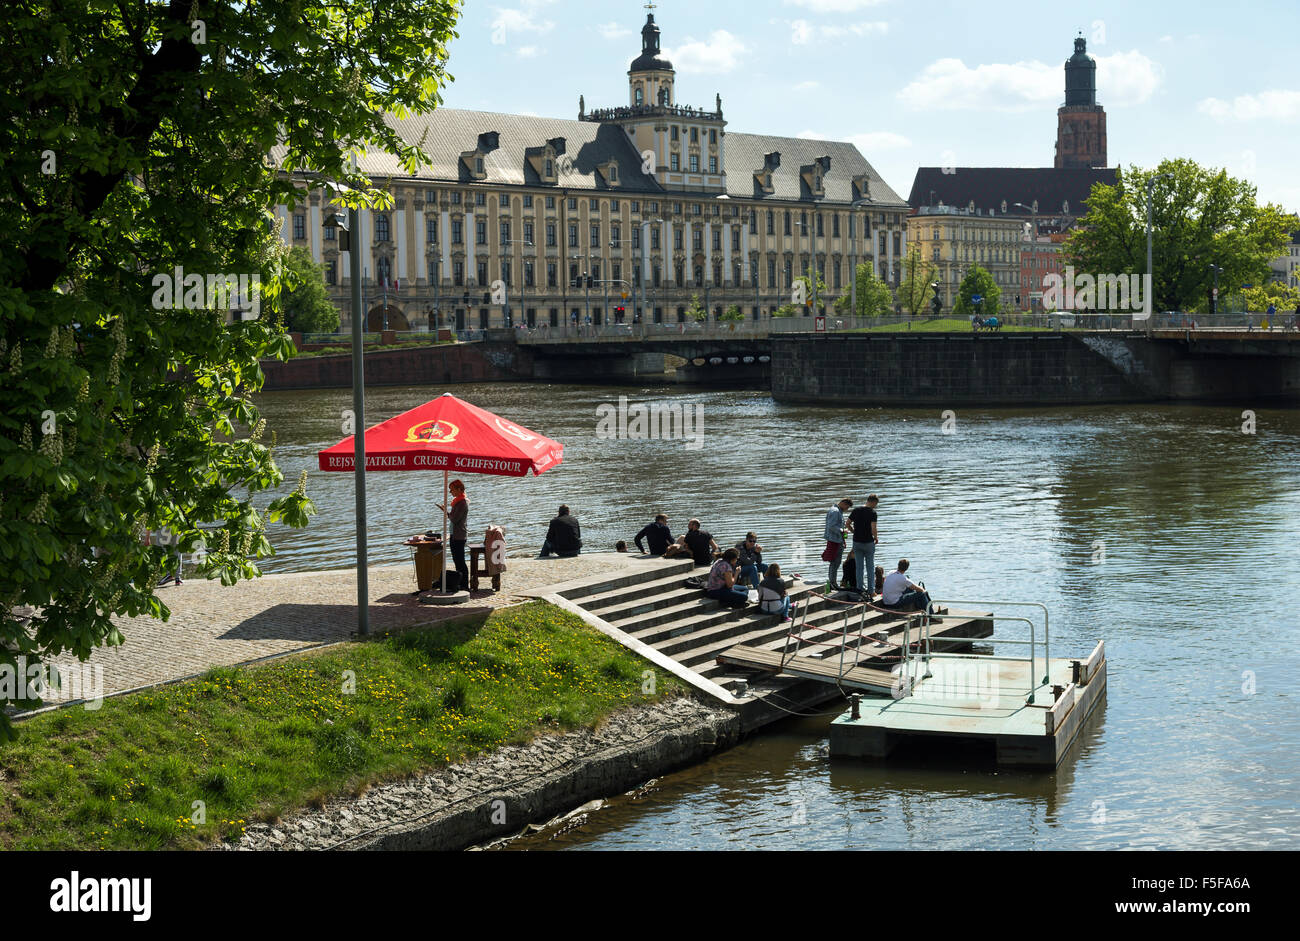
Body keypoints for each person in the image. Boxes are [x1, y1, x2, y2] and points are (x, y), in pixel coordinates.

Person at [437, 479, 469, 588]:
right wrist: (446, 512)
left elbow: (454, 519)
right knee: (457, 560)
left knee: (460, 561)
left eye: (452, 490)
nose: (450, 492)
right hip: (455, 535)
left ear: (459, 489)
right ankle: (460, 583)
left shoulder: (462, 503)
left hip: (458, 536)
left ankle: (465, 584)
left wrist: (446, 511)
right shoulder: (458, 502)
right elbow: (454, 518)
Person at [848, 494, 880, 599]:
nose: (875, 506)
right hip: (868, 542)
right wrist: (876, 537)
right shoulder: (872, 513)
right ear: (873, 502)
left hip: (857, 542)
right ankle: (871, 591)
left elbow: (847, 523)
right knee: (870, 567)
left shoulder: (856, 510)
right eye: (876, 504)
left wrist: (854, 532)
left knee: (859, 567)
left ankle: (859, 589)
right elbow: (873, 528)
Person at [823, 498, 853, 590]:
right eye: (847, 507)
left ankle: (832, 582)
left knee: (835, 562)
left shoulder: (836, 510)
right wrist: (843, 530)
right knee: (835, 562)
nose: (847, 509)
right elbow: (831, 526)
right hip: (834, 541)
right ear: (843, 503)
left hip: (836, 540)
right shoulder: (835, 511)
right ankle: (833, 583)